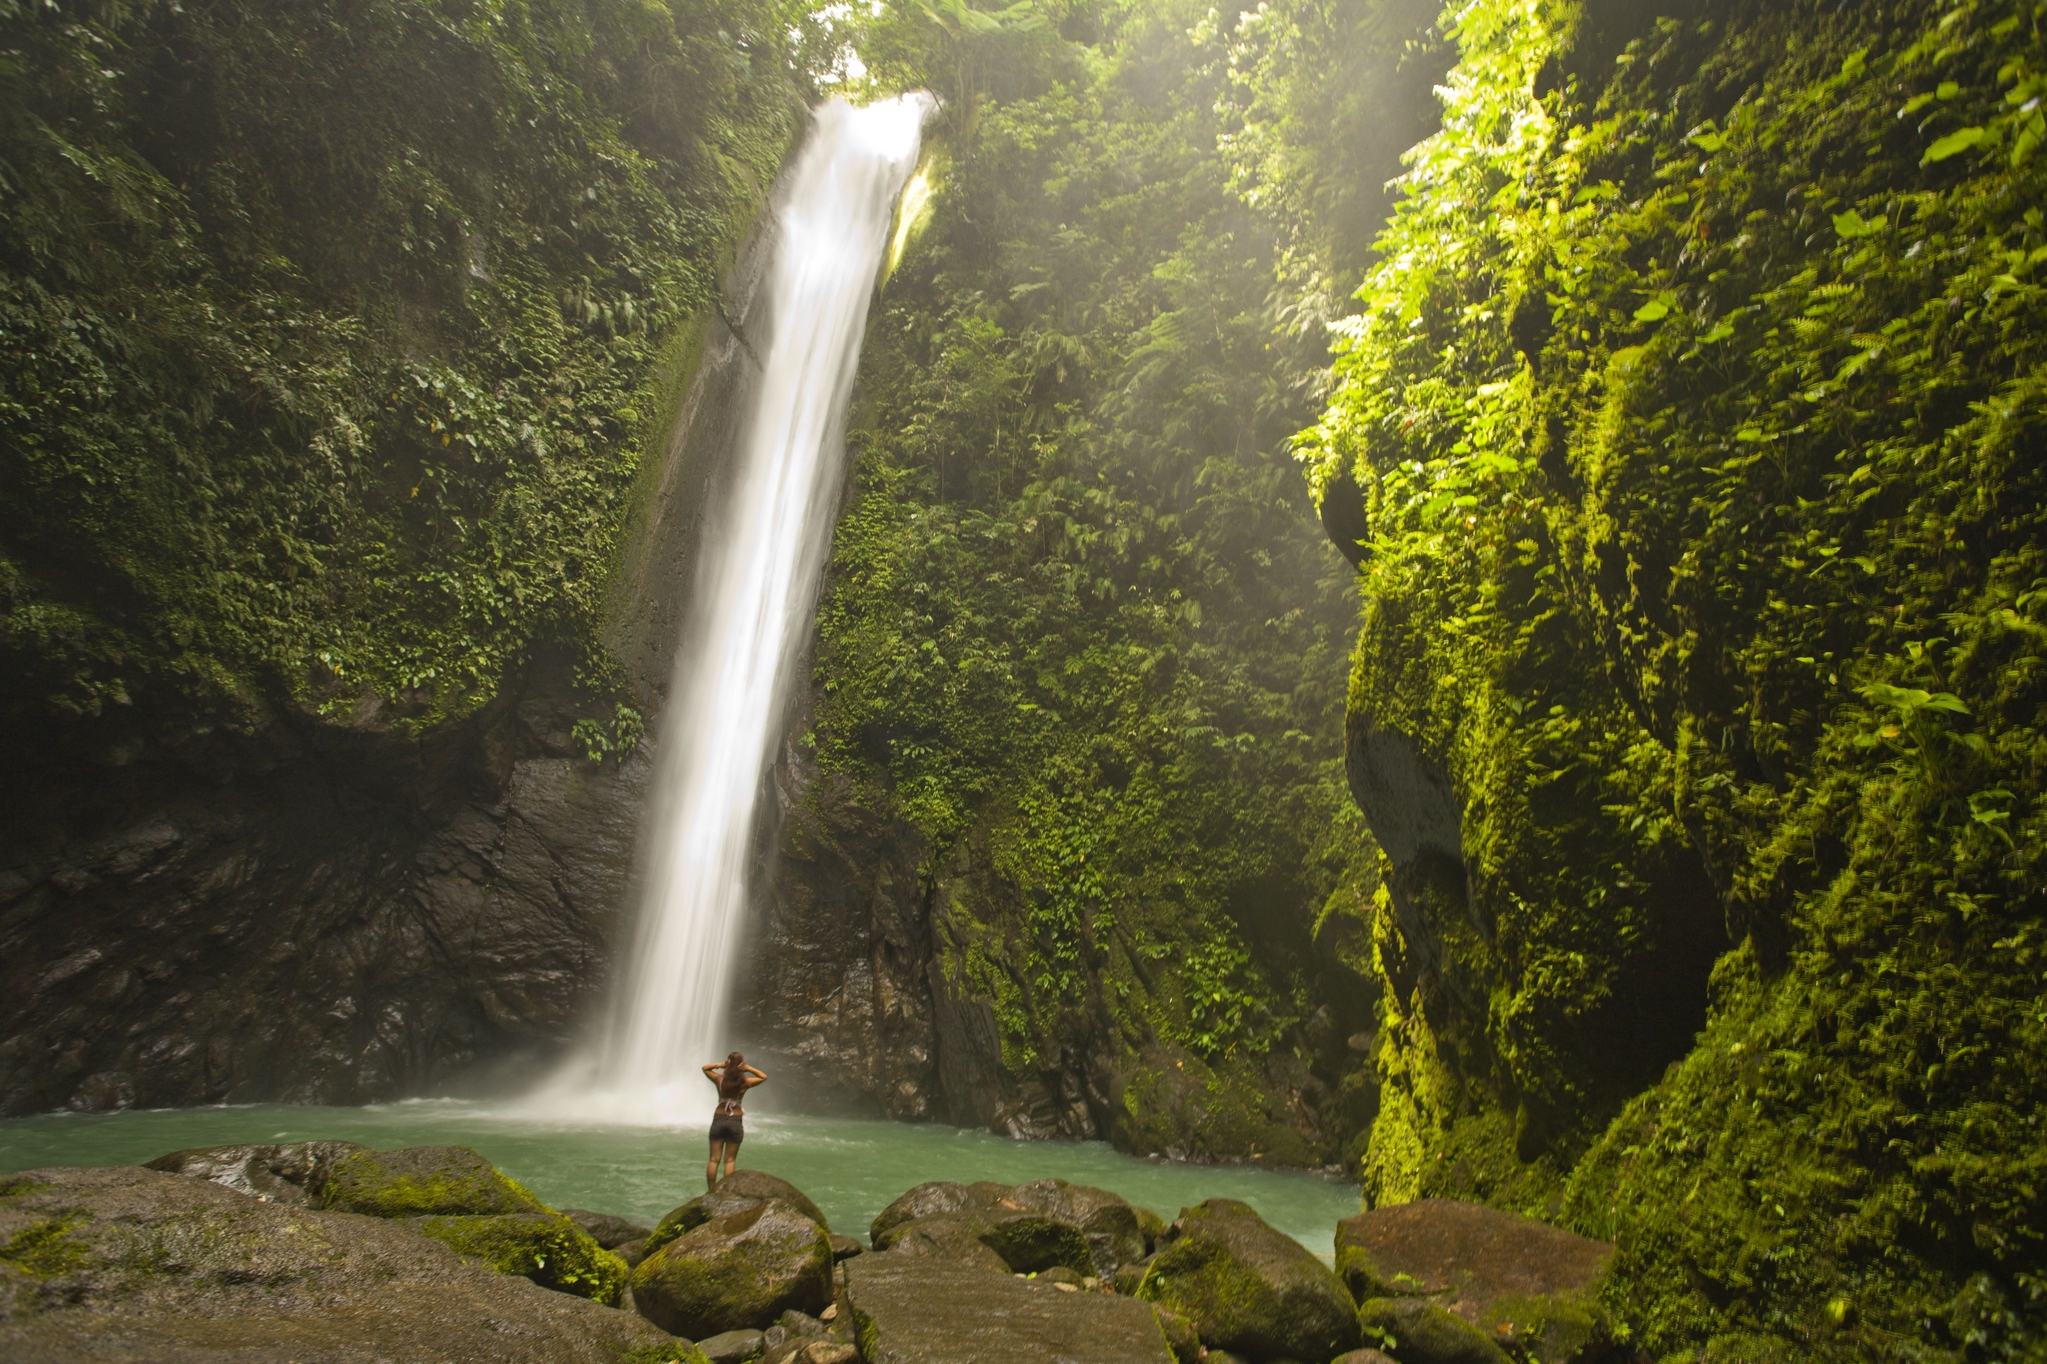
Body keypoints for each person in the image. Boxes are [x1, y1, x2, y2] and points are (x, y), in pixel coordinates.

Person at [702, 1051, 765, 1189]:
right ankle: (726, 1191)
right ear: (741, 1066)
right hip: (735, 1121)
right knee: (729, 1160)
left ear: (728, 1064)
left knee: (714, 1159)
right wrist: (748, 1069)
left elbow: (705, 1068)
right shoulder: (745, 1083)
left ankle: (711, 1190)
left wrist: (721, 1065)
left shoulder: (719, 1080)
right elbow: (763, 1077)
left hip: (718, 1119)